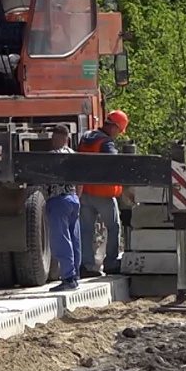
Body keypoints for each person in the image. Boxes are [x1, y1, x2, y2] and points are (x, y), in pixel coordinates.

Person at [76, 109, 129, 277]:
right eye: (119, 131)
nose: (118, 135)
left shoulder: (86, 137)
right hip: (104, 194)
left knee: (86, 230)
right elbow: (114, 163)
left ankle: (87, 266)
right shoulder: (106, 143)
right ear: (114, 127)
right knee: (113, 228)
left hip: (85, 191)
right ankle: (111, 263)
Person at [43, 124, 81, 292]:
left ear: (61, 138)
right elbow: (81, 180)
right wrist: (77, 197)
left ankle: (68, 277)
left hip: (58, 201)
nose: (53, 140)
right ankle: (75, 275)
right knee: (74, 238)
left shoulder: (52, 157)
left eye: (54, 137)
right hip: (73, 198)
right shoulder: (74, 155)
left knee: (61, 240)